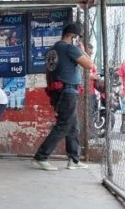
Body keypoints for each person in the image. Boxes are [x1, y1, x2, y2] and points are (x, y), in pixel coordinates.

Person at [33, 23, 95, 171]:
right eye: (77, 38)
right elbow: (89, 65)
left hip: (57, 91)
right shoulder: (70, 48)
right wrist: (83, 50)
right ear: (74, 37)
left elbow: (48, 72)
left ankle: (73, 159)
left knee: (73, 126)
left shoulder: (51, 50)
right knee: (63, 125)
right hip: (68, 92)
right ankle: (41, 156)